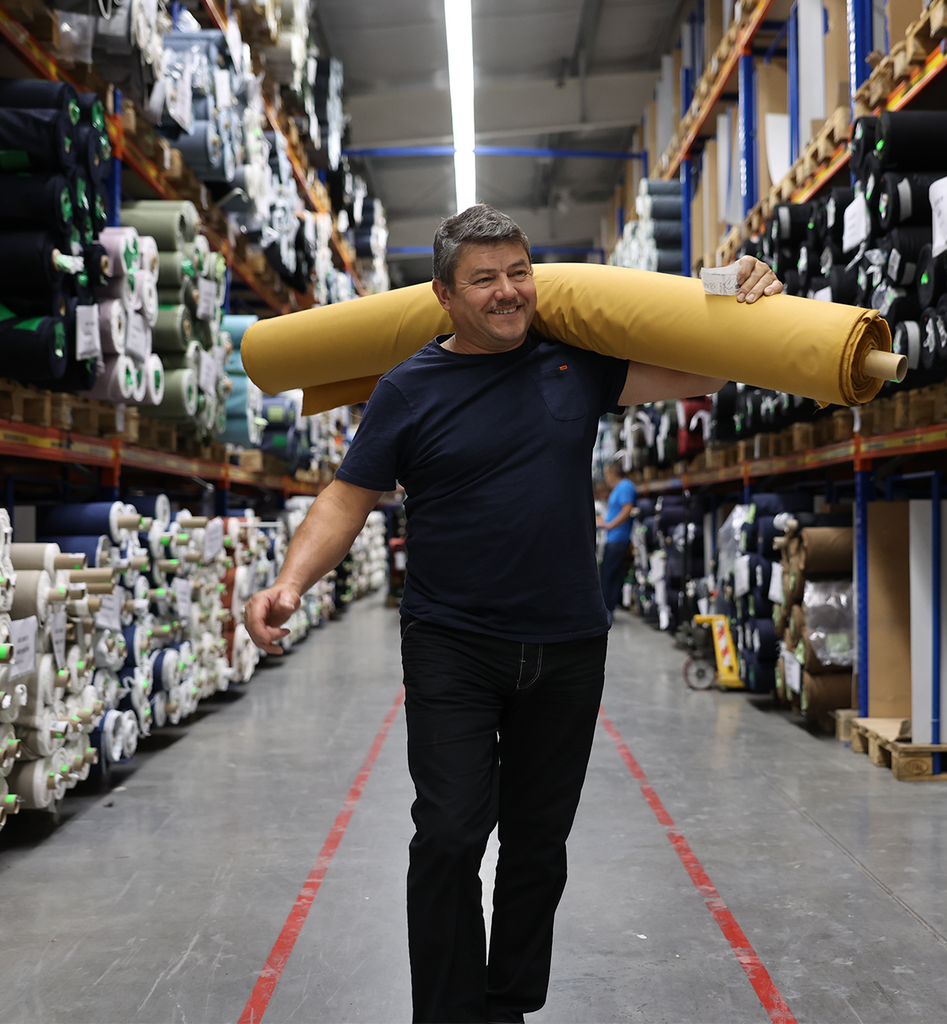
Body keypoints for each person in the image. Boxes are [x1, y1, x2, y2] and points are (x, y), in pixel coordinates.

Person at [244, 204, 781, 1024]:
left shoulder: (576, 362)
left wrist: (739, 295)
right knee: (452, 835)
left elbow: (701, 374)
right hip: (453, 643)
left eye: (519, 272)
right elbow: (346, 497)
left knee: (538, 847)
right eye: (485, 279)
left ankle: (506, 1004)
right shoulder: (408, 388)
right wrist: (290, 583)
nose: (508, 293)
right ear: (444, 296)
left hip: (568, 643)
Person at [596, 459, 636, 613]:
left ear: (611, 473)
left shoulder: (625, 486)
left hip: (618, 539)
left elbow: (627, 509)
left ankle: (606, 609)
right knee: (610, 575)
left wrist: (611, 525)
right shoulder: (620, 488)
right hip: (613, 538)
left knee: (607, 575)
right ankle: (608, 608)